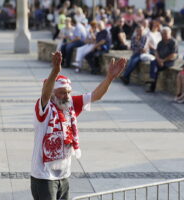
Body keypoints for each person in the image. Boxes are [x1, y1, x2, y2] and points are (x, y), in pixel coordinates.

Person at [30, 51, 127, 200]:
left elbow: (95, 96)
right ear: (53, 94)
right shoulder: (44, 108)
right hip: (44, 177)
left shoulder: (69, 105)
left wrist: (109, 78)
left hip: (64, 176)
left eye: (68, 92)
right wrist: (55, 71)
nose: (67, 96)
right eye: (62, 93)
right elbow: (44, 95)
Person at [146, 27, 178, 92]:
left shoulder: (173, 42)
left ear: (170, 33)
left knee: (155, 69)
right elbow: (156, 52)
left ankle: (152, 84)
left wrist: (163, 61)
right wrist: (159, 60)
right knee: (153, 62)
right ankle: (152, 80)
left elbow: (174, 55)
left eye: (165, 34)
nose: (163, 35)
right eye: (162, 34)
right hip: (160, 60)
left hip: (169, 61)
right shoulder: (161, 42)